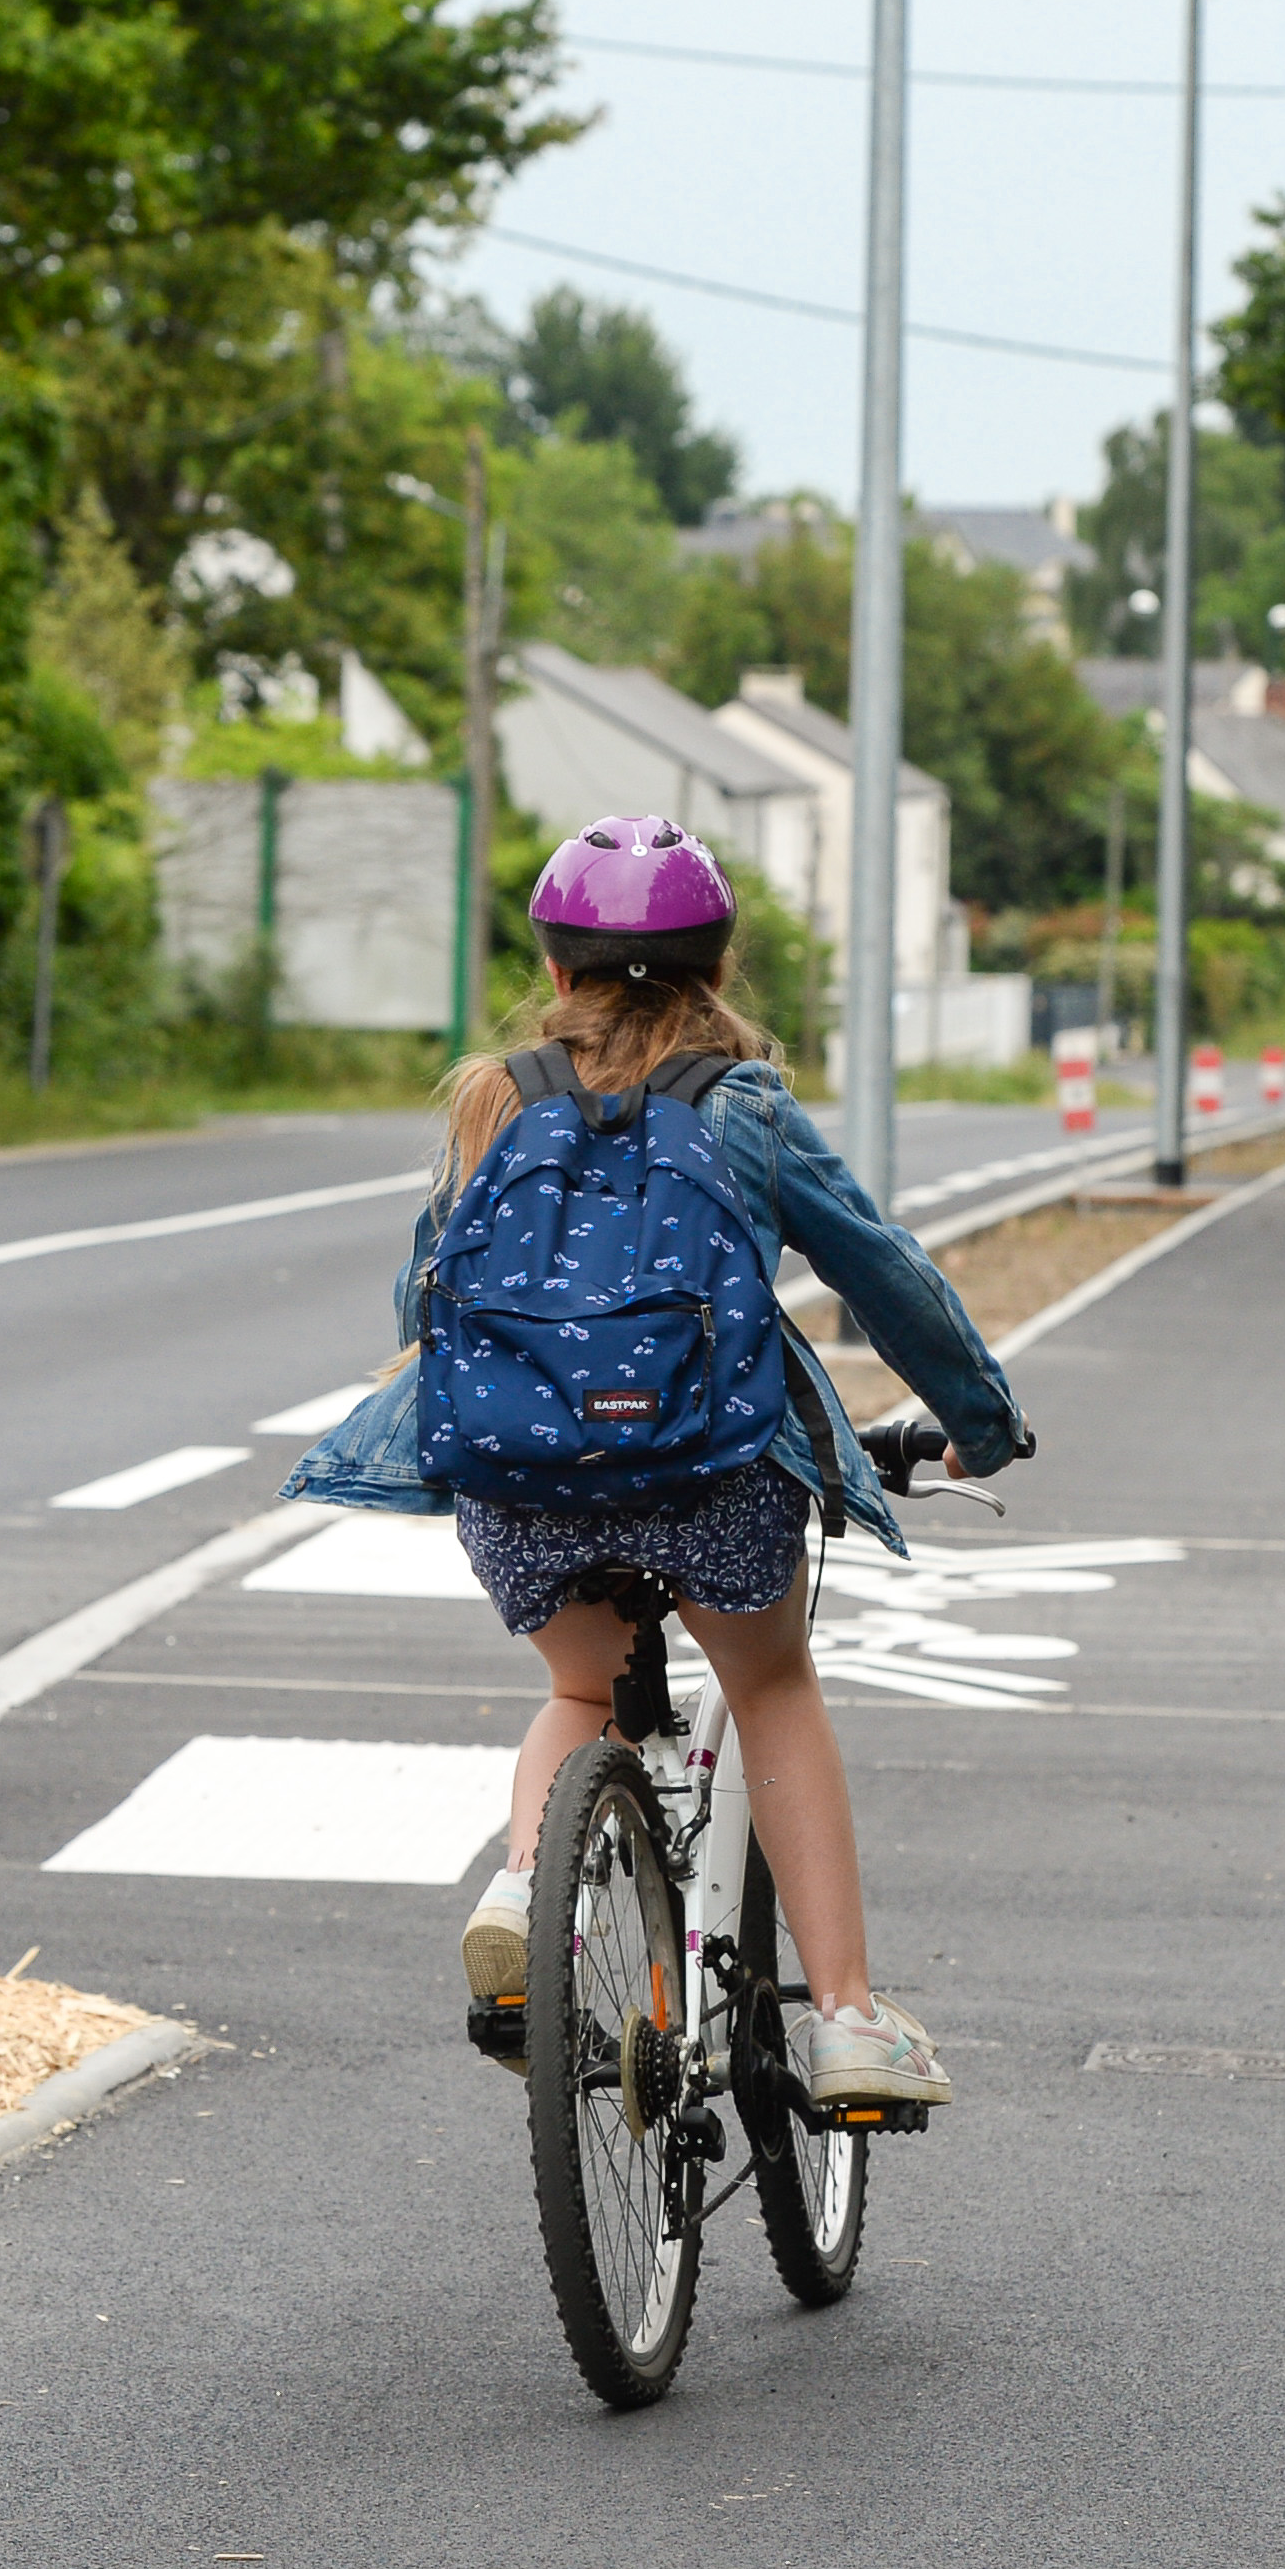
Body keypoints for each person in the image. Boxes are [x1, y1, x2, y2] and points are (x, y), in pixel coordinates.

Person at [287, 816, 1028, 2108]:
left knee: (581, 1695)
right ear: (718, 971)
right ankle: (848, 2020)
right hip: (709, 1469)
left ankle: (529, 1882)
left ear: (558, 971)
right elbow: (881, 1271)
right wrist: (977, 1413)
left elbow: (426, 1299)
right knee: (771, 1686)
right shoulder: (742, 1107)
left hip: (521, 1472)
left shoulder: (491, 1099)